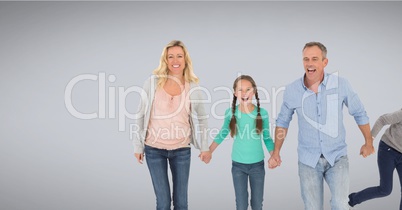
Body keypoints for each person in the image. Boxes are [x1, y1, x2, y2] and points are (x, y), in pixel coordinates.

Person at [268, 41, 375, 210]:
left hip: (337, 157)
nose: (309, 63)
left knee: (341, 204)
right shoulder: (292, 90)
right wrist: (276, 152)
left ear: (324, 62)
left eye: (314, 59)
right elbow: (282, 122)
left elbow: (359, 112)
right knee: (313, 207)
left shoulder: (341, 84)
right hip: (308, 160)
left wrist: (368, 142)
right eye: (306, 59)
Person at [133, 40, 211, 210]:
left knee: (181, 203)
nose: (175, 60)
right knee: (163, 203)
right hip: (154, 150)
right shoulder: (152, 83)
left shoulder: (193, 87)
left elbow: (203, 119)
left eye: (179, 56)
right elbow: (140, 114)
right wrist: (138, 146)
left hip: (182, 150)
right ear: (166, 60)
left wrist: (205, 147)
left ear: (185, 60)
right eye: (171, 56)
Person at [208, 75, 274, 210]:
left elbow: (267, 138)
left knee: (257, 204)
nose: (244, 93)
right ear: (234, 93)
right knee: (241, 204)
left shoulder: (262, 113)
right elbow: (222, 133)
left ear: (254, 91)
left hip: (257, 166)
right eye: (240, 90)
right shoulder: (230, 113)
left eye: (248, 89)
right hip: (238, 166)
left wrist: (274, 155)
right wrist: (209, 151)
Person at [348, 108, 402, 209]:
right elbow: (382, 119)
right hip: (388, 149)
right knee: (385, 190)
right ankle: (350, 201)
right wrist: (369, 142)